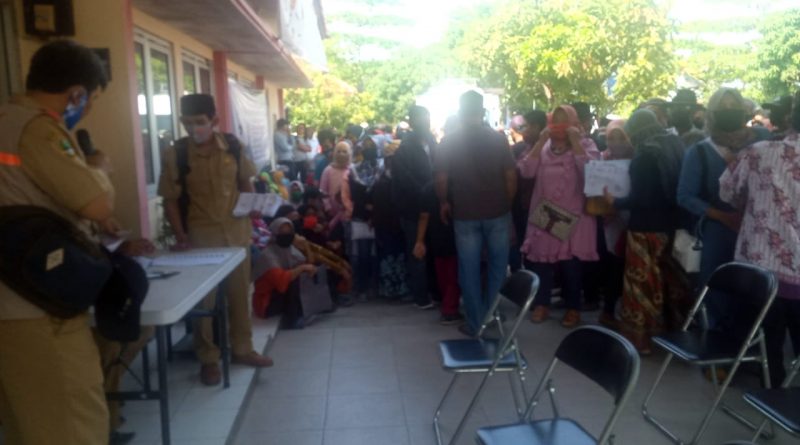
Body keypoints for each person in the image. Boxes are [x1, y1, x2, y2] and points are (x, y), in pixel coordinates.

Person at [0, 40, 114, 445]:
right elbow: (96, 203)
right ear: (76, 95)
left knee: (30, 423)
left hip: (12, 301)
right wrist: (99, 169)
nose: (89, 108)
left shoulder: (6, 121)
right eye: (92, 100)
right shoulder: (36, 129)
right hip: (37, 303)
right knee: (73, 423)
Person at [158, 94, 272, 386]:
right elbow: (170, 199)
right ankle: (208, 359)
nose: (194, 128)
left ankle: (242, 349)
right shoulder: (176, 154)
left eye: (200, 122)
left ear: (214, 121)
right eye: (188, 123)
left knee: (239, 294)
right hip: (201, 235)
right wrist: (180, 235)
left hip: (236, 231)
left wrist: (253, 208)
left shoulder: (233, 147)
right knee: (203, 302)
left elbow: (244, 182)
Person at [719, 103, 800, 385]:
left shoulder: (758, 152)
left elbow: (727, 192)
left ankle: (772, 394)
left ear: (791, 118)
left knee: (769, 340)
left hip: (759, 267)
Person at [604, 109, 689, 353]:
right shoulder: (674, 146)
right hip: (671, 226)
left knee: (643, 284)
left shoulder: (645, 156)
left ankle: (642, 339)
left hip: (645, 229)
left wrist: (615, 202)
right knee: (667, 281)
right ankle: (672, 333)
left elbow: (641, 199)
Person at [436, 91, 517, 335]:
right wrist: (506, 204)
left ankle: (475, 323)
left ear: (460, 114)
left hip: (465, 213)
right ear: (482, 112)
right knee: (497, 267)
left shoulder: (448, 142)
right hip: (497, 211)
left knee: (468, 269)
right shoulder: (499, 140)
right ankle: (491, 316)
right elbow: (510, 177)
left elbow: (441, 178)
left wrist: (443, 202)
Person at [676, 88, 757, 328]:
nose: (729, 111)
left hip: (755, 230)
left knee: (751, 290)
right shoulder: (700, 151)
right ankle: (714, 339)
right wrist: (721, 216)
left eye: (734, 106)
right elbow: (685, 196)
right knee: (716, 288)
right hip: (718, 230)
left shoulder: (759, 145)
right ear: (712, 113)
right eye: (723, 107)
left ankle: (747, 342)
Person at [518, 105, 599, 328]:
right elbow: (526, 171)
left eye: (565, 121)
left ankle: (573, 308)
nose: (559, 126)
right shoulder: (544, 146)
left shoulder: (586, 145)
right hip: (546, 213)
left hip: (575, 216)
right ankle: (542, 304)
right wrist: (540, 142)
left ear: (574, 123)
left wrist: (575, 143)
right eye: (555, 121)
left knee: (570, 265)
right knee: (542, 263)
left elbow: (591, 173)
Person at [393, 105, 437, 309]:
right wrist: (426, 193)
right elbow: (404, 180)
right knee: (417, 251)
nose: (425, 124)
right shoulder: (404, 149)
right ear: (412, 123)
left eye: (427, 119)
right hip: (413, 210)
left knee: (433, 250)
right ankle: (420, 297)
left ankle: (435, 291)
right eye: (421, 120)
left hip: (433, 208)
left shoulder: (433, 143)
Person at [252, 218, 318, 329]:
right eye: (282, 232)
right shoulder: (267, 255)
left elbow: (309, 263)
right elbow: (281, 280)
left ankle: (306, 311)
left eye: (289, 232)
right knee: (293, 283)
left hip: (279, 295)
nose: (286, 235)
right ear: (274, 234)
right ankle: (292, 321)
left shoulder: (290, 249)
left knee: (304, 276)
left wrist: (306, 245)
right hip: (266, 302)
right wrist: (302, 268)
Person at [369, 141, 410, 301]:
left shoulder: (386, 180)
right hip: (389, 226)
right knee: (392, 255)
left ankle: (394, 289)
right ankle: (394, 289)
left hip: (393, 225)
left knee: (394, 255)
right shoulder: (385, 181)